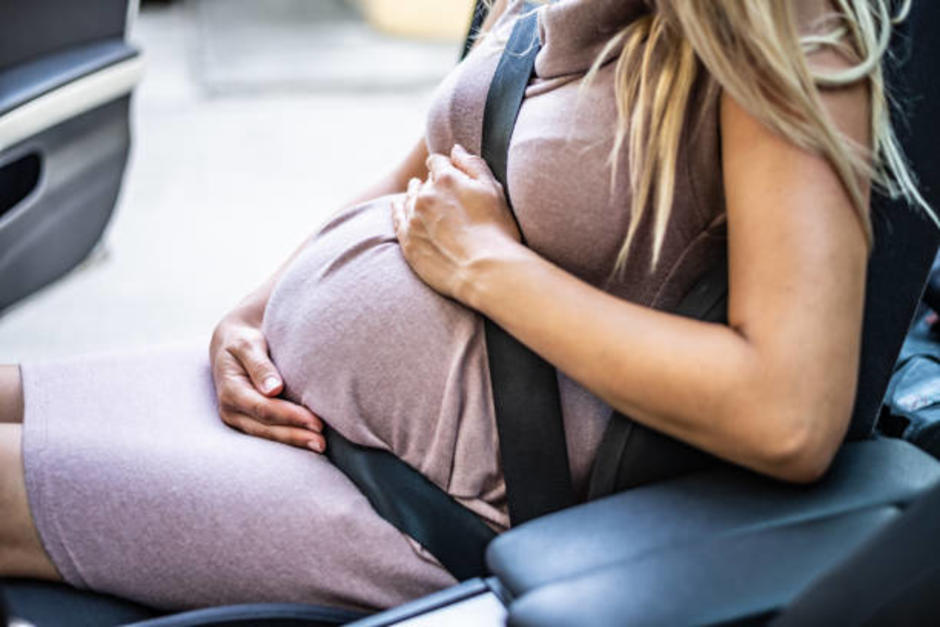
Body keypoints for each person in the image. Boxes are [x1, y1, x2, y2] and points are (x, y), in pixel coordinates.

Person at [0, 0, 932, 614]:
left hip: (418, 508)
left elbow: (789, 410)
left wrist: (493, 268)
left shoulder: (781, 26)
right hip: (305, 416)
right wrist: (254, 306)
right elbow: (425, 172)